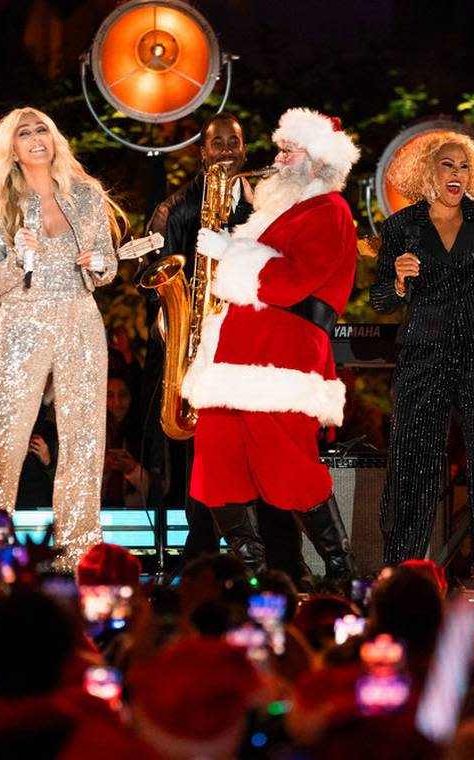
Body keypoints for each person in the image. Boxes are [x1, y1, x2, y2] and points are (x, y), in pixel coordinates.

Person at [184, 108, 360, 579]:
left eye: (289, 150)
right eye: (280, 149)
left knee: (288, 466)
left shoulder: (331, 211)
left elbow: (290, 283)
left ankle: (342, 570)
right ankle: (252, 573)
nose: (278, 158)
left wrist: (231, 253)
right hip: (235, 355)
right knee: (217, 463)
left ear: (318, 161)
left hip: (283, 357)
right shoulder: (272, 213)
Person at [141, 113, 304, 571]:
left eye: (235, 141)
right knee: (204, 451)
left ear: (245, 149)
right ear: (202, 152)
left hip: (255, 334)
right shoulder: (177, 206)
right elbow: (153, 271)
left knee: (260, 446)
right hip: (198, 338)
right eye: (217, 142)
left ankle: (270, 554)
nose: (227, 149)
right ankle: (204, 553)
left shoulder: (268, 201)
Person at [370, 131, 474, 564]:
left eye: (464, 166)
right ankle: (405, 567)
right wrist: (397, 280)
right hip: (424, 353)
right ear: (429, 170)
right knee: (414, 461)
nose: (457, 173)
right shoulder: (400, 227)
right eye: (448, 164)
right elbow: (380, 299)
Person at [0, 106, 119, 571]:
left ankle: (79, 547)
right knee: (6, 433)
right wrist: (15, 260)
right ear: (11, 146)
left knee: (85, 435)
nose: (36, 137)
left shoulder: (87, 195)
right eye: (25, 132)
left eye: (43, 129)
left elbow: (108, 266)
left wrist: (96, 264)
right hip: (23, 321)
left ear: (54, 139)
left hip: (80, 318)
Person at [103, 372, 165, 508]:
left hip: (136, 516)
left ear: (132, 397)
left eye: (123, 395)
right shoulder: (94, 432)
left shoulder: (146, 432)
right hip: (100, 511)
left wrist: (133, 469)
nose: (117, 403)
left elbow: (161, 490)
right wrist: (104, 468)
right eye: (110, 396)